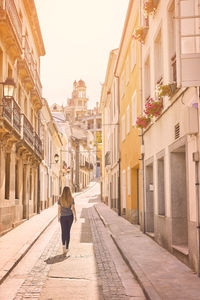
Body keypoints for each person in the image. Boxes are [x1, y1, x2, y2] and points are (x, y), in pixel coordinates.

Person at [58, 186, 77, 255]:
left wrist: (58, 216)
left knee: (63, 231)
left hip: (63, 217)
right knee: (68, 232)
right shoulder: (71, 198)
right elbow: (73, 208)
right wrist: (75, 216)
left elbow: (59, 208)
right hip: (70, 217)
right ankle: (67, 247)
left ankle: (63, 246)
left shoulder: (60, 198)